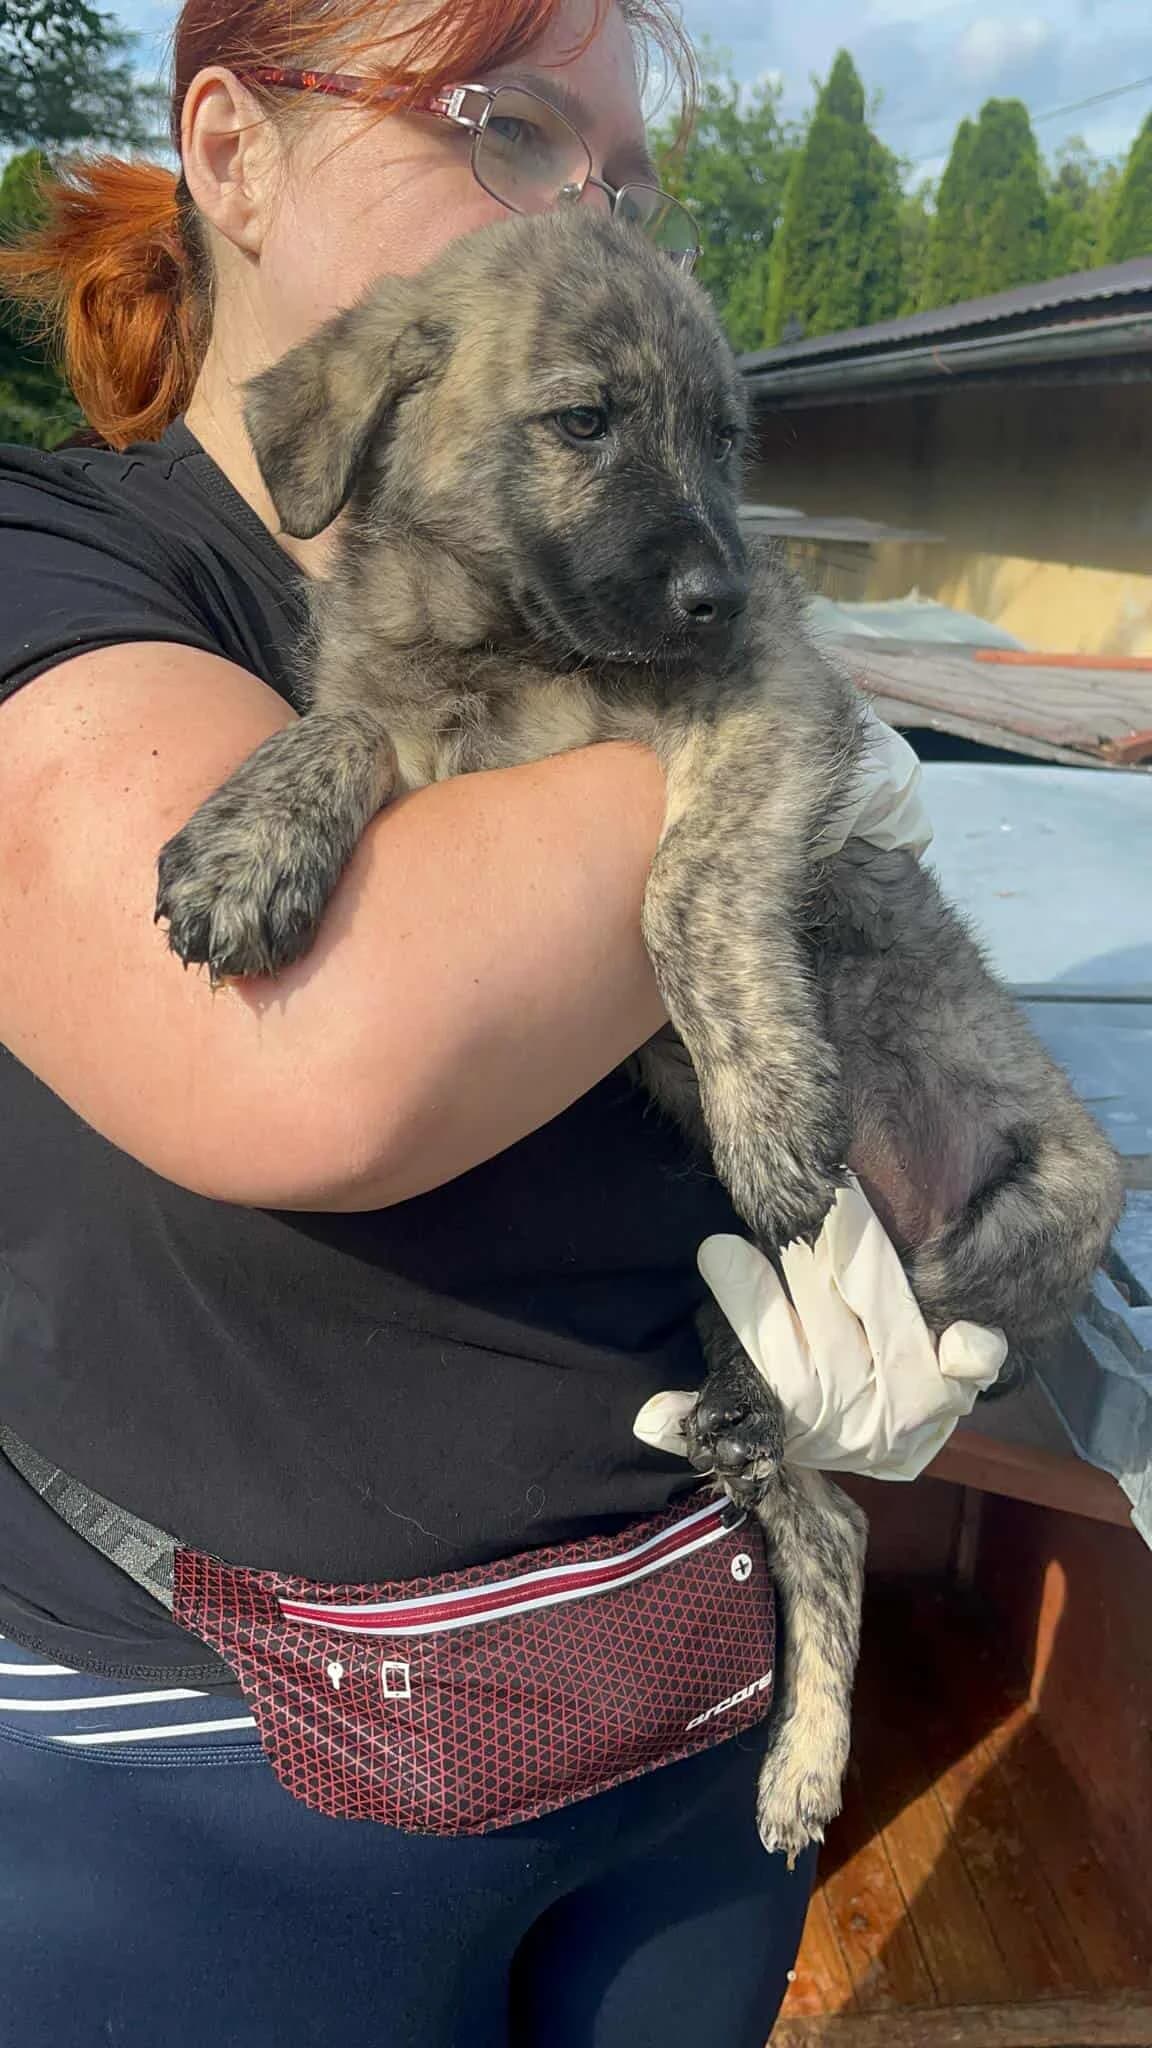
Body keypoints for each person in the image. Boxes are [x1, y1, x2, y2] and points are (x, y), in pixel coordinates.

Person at [0, 2, 1002, 2041]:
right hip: (208, 1771)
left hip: (685, 1702)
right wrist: (775, 746)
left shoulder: (598, 594)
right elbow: (314, 1052)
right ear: (233, 149)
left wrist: (934, 1252)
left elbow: (903, 1103)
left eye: (623, 180)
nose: (587, 220)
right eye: (512, 125)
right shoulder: (60, 561)